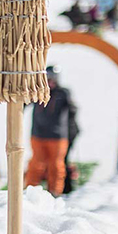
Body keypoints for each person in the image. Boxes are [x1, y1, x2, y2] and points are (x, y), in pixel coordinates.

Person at [28, 65, 78, 196]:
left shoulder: (63, 93)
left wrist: (73, 131)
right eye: (48, 78)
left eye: (53, 78)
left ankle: (55, 192)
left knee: (56, 166)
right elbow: (24, 103)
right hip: (38, 135)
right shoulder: (37, 93)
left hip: (58, 137)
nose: (50, 81)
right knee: (36, 164)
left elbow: (72, 111)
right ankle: (29, 191)